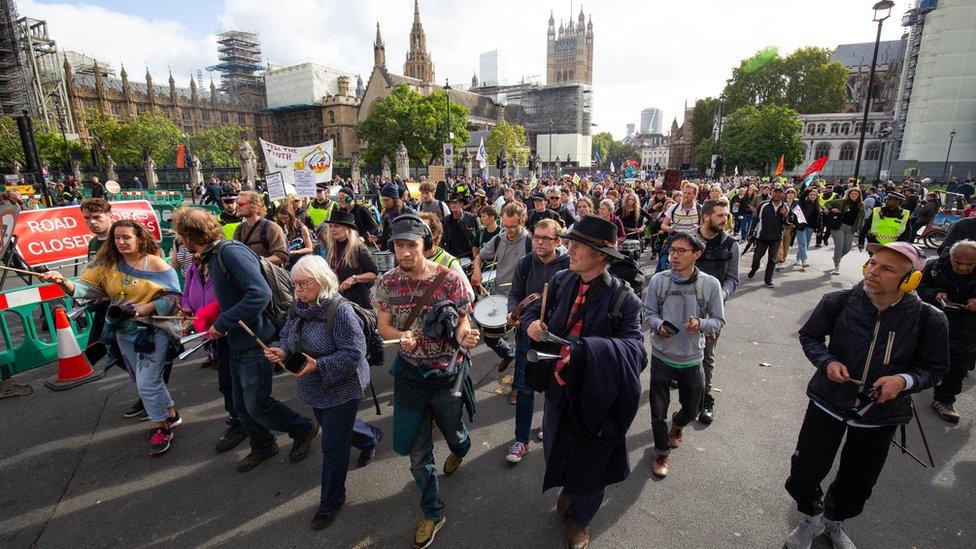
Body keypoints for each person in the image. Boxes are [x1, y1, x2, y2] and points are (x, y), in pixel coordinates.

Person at [785, 241, 948, 549]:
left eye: (886, 268)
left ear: (910, 279)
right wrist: (827, 361)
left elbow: (935, 368)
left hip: (881, 416)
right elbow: (810, 336)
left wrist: (904, 380)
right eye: (872, 262)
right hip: (827, 402)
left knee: (858, 479)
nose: (872, 271)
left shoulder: (930, 319)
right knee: (806, 469)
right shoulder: (838, 301)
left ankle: (834, 523)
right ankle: (810, 518)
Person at [521, 215, 645, 549]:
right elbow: (536, 312)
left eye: (579, 245)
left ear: (602, 255)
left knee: (592, 463)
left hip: (596, 397)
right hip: (557, 388)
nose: (569, 249)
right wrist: (531, 324)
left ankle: (581, 521)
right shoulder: (561, 281)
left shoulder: (625, 300)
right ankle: (569, 487)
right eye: (570, 242)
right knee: (556, 449)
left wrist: (585, 351)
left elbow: (637, 353)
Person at [174, 208, 319, 472]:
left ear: (188, 236)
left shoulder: (229, 252)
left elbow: (258, 294)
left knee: (257, 404)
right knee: (240, 404)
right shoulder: (214, 255)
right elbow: (232, 296)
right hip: (236, 341)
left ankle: (303, 428)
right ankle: (263, 444)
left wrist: (222, 322)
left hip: (256, 340)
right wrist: (202, 314)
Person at [372, 214, 480, 549]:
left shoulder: (449, 279)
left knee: (454, 433)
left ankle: (461, 448)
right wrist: (400, 335)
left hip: (446, 374)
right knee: (418, 454)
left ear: (425, 245)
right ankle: (432, 512)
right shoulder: (387, 282)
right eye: (398, 245)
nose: (404, 252)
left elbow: (463, 320)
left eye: (411, 245)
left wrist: (465, 337)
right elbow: (383, 326)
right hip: (409, 376)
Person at [39, 221, 183, 456]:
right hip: (123, 332)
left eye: (126, 237)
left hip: (152, 330)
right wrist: (62, 282)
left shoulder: (154, 262)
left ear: (139, 239)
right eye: (116, 238)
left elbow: (174, 297)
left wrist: (143, 309)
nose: (120, 242)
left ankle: (161, 428)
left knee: (147, 383)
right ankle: (169, 413)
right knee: (142, 379)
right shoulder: (107, 266)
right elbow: (84, 287)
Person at [264, 255, 382, 530]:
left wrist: (318, 365)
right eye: (294, 285)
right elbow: (288, 335)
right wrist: (282, 350)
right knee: (335, 429)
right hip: (313, 386)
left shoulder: (340, 311)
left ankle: (332, 501)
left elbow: (354, 354)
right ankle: (370, 437)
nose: (297, 290)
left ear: (321, 281)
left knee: (332, 444)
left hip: (343, 387)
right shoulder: (298, 306)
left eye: (303, 284)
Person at [644, 232, 725, 477]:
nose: (675, 256)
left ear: (696, 254)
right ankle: (661, 452)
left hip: (691, 358)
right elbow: (647, 314)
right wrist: (659, 325)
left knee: (693, 409)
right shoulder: (659, 280)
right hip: (661, 355)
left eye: (682, 251)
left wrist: (700, 323)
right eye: (672, 251)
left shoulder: (710, 284)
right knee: (658, 411)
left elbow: (719, 320)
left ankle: (678, 424)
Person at [504, 218, 569, 462]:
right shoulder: (524, 262)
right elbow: (514, 294)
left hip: (555, 338)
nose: (539, 242)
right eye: (536, 237)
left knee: (555, 385)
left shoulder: (568, 266)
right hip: (526, 336)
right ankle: (521, 440)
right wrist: (512, 312)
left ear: (557, 241)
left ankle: (546, 426)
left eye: (545, 238)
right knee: (524, 387)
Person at [917, 240, 976, 423]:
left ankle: (944, 400)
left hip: (966, 327)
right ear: (950, 257)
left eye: (970, 264)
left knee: (958, 363)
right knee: (917, 355)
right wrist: (935, 294)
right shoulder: (935, 266)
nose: (964, 268)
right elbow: (919, 288)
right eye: (958, 263)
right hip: (933, 321)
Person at [695, 199, 740, 423]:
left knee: (707, 356)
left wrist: (720, 295)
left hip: (713, 312)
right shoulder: (689, 240)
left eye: (726, 215)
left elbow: (733, 278)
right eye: (720, 215)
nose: (725, 219)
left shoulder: (731, 244)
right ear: (706, 217)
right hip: (684, 306)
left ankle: (705, 398)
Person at [323, 210, 378, 309]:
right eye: (330, 226)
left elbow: (373, 274)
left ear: (347, 229)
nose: (332, 229)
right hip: (337, 298)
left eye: (336, 226)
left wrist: (354, 278)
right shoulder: (331, 248)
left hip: (357, 301)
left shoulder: (358, 248)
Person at [233, 191, 290, 266]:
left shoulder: (272, 228)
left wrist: (258, 261)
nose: (237, 206)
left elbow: (281, 257)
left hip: (267, 275)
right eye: (236, 203)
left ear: (254, 206)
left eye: (240, 204)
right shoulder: (239, 229)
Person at [826, 188, 866, 275]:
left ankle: (836, 258)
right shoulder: (842, 202)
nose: (854, 196)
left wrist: (860, 231)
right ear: (849, 195)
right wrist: (832, 209)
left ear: (859, 195)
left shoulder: (862, 205)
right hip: (839, 226)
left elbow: (861, 220)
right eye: (852, 194)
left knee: (847, 249)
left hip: (851, 229)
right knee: (839, 247)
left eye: (856, 194)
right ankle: (837, 266)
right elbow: (827, 203)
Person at [373, 183, 412, 250]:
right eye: (383, 200)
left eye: (387, 200)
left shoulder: (406, 212)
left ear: (394, 199)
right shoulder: (386, 213)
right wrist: (378, 238)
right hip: (391, 249)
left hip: (404, 248)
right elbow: (385, 234)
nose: (385, 202)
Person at [441, 193, 478, 260]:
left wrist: (476, 257)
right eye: (451, 203)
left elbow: (479, 237)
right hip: (452, 257)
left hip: (469, 256)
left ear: (462, 204)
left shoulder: (472, 218)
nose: (452, 205)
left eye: (455, 203)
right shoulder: (446, 220)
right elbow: (443, 239)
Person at [277, 203, 314, 269]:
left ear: (291, 215)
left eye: (286, 218)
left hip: (301, 262)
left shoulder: (302, 228)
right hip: (287, 261)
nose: (283, 221)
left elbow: (309, 248)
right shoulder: (279, 226)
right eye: (281, 218)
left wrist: (294, 252)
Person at [794, 188, 821, 269]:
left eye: (814, 195)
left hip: (811, 226)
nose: (813, 196)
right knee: (802, 243)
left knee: (806, 243)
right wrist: (807, 190)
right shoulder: (804, 202)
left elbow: (819, 218)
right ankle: (804, 260)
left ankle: (798, 258)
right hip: (801, 225)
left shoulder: (817, 205)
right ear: (808, 196)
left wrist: (819, 228)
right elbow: (801, 197)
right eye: (811, 195)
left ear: (817, 196)